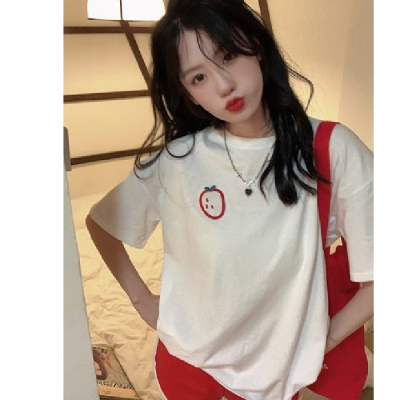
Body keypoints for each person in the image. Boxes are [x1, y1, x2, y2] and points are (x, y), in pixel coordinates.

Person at [86, 0, 373, 399]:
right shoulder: (178, 160)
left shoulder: (331, 148)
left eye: (229, 56)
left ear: (256, 45)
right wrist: (142, 300)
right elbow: (101, 223)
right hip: (186, 361)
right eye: (199, 77)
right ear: (188, 95)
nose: (224, 85)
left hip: (282, 372)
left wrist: (323, 339)